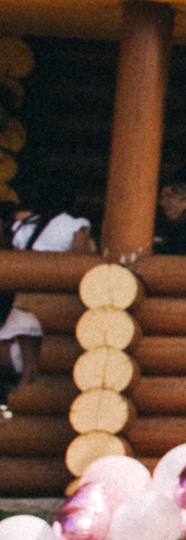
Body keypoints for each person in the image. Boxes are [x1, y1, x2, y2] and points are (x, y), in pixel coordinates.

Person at [2, 177, 96, 417]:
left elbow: (14, 258)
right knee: (42, 371)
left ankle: (16, 413)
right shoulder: (75, 225)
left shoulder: (24, 226)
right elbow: (82, 262)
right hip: (56, 308)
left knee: (28, 370)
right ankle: (30, 416)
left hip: (22, 303)